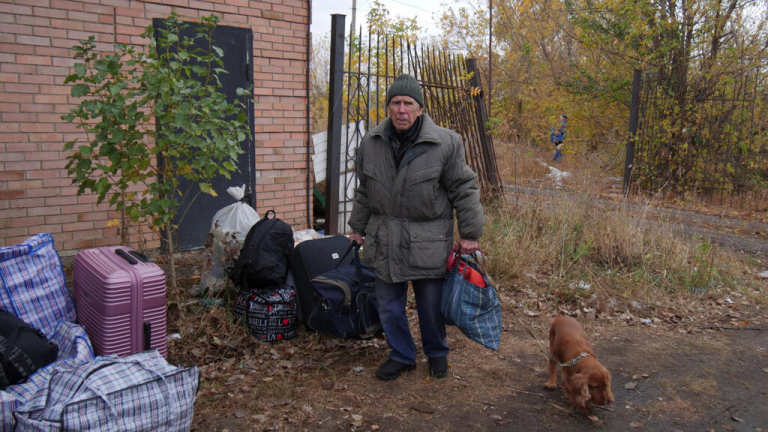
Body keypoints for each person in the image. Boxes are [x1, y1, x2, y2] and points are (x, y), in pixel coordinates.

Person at [347, 74, 485, 381]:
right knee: (388, 304)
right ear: (388, 107)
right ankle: (401, 354)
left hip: (428, 239)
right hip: (384, 237)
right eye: (395, 103)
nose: (401, 109)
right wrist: (357, 227)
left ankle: (436, 353)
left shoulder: (446, 143)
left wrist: (470, 234)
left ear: (420, 108)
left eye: (408, 103)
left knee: (430, 305)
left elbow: (464, 187)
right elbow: (365, 190)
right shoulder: (371, 143)